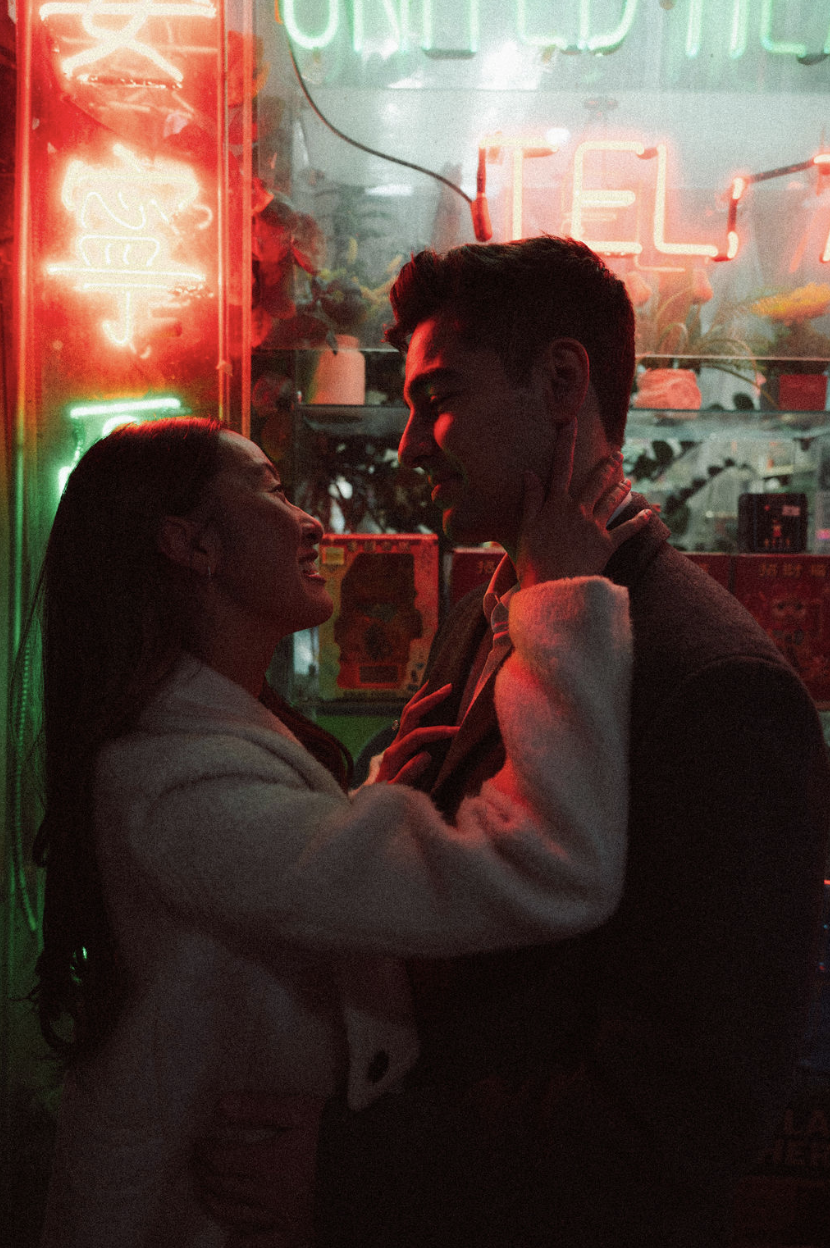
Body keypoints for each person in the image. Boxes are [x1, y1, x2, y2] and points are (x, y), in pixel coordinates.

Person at [196, 237, 830, 1248]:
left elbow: (679, 1115)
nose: (407, 445)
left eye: (436, 395)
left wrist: (356, 1167)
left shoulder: (714, 683)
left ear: (562, 382)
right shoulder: (490, 606)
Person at [31, 414, 646, 1248]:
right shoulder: (179, 789)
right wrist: (559, 602)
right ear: (193, 545)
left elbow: (309, 852)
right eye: (274, 492)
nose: (311, 520)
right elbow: (551, 868)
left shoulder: (203, 747)